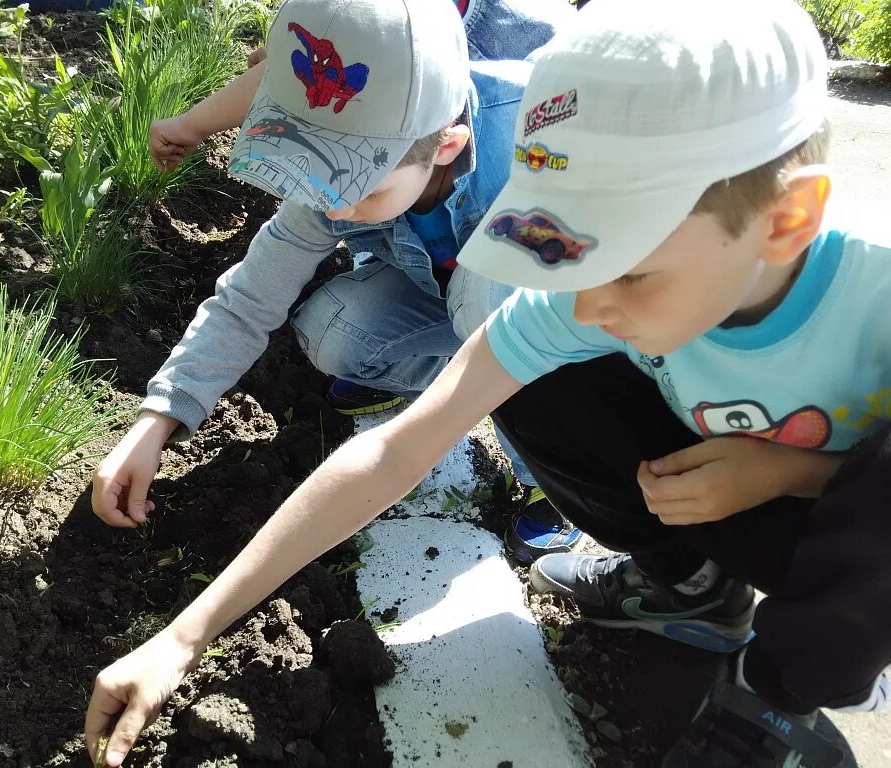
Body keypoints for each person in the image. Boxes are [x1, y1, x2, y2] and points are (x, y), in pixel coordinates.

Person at [86, 1, 891, 764]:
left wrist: (790, 470)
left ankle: (776, 696)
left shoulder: (875, 289)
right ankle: (689, 587)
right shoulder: (596, 291)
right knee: (528, 375)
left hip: (844, 544)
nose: (589, 306)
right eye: (576, 260)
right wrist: (184, 635)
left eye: (633, 273)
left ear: (786, 222)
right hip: (724, 485)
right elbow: (395, 453)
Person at [95, 0, 585, 559]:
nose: (337, 205)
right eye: (322, 177)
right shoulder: (341, 180)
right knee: (337, 333)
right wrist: (156, 420)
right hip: (442, 291)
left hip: (549, 312)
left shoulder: (537, 136)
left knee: (487, 296)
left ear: (445, 146)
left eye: (366, 188)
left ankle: (552, 480)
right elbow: (251, 297)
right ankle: (441, 371)